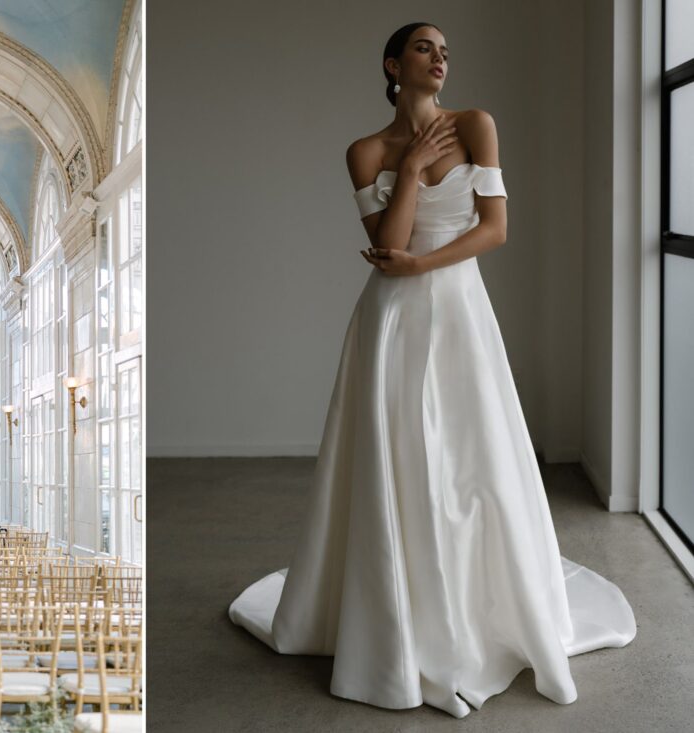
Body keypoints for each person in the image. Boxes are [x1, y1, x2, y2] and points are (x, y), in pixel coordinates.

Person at [227, 21, 637, 719]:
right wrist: (411, 172)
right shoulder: (364, 151)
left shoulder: (476, 124)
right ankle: (402, 606)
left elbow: (495, 228)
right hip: (390, 324)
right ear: (393, 64)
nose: (440, 58)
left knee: (473, 463)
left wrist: (423, 264)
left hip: (457, 310)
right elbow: (386, 243)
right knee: (400, 461)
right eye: (425, 48)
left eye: (446, 51)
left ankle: (475, 610)